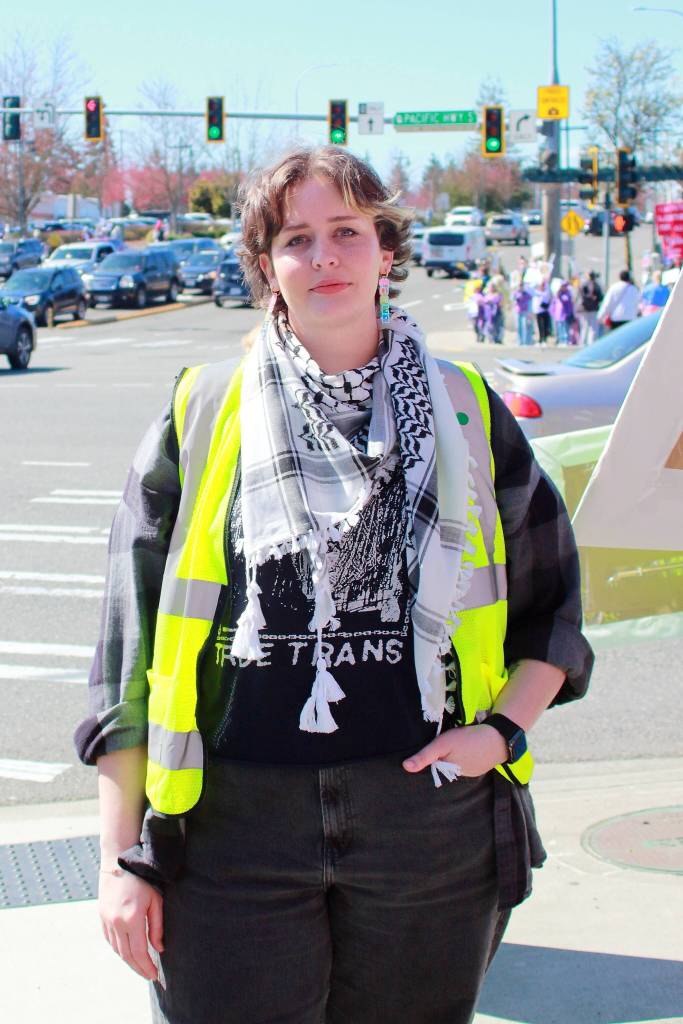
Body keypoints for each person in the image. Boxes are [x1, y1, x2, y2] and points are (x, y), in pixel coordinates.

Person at [75, 146, 593, 1024]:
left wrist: (501, 733)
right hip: (231, 827)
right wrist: (120, 857)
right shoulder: (202, 408)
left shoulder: (464, 407)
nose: (324, 258)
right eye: (296, 238)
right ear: (266, 265)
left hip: (426, 822)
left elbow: (553, 610)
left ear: (386, 250)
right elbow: (126, 654)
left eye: (347, 232)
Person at [576, 271, 603, 346]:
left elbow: (580, 295)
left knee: (584, 327)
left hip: (584, 308)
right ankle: (591, 343)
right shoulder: (596, 285)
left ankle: (583, 342)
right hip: (593, 308)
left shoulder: (583, 284)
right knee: (593, 327)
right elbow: (600, 297)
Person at [549, 280, 575, 345]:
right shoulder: (557, 294)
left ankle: (566, 341)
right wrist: (552, 312)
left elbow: (565, 299)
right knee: (559, 328)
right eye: (562, 286)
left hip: (565, 314)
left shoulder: (568, 293)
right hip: (558, 315)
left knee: (565, 328)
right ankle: (561, 340)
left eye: (565, 286)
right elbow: (553, 304)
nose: (564, 287)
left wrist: (559, 295)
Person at [512, 278, 534, 345]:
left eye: (521, 285)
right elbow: (513, 299)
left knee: (524, 326)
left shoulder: (526, 294)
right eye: (519, 285)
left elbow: (530, 301)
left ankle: (525, 341)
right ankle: (519, 341)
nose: (520, 286)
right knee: (518, 326)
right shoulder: (515, 293)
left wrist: (530, 312)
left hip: (525, 311)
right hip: (517, 311)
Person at [532, 276, 552, 345]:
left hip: (545, 310)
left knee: (545, 326)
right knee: (540, 326)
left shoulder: (546, 291)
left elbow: (548, 293)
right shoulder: (536, 292)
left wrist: (545, 281)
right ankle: (541, 339)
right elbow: (530, 288)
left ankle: (544, 339)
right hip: (538, 311)